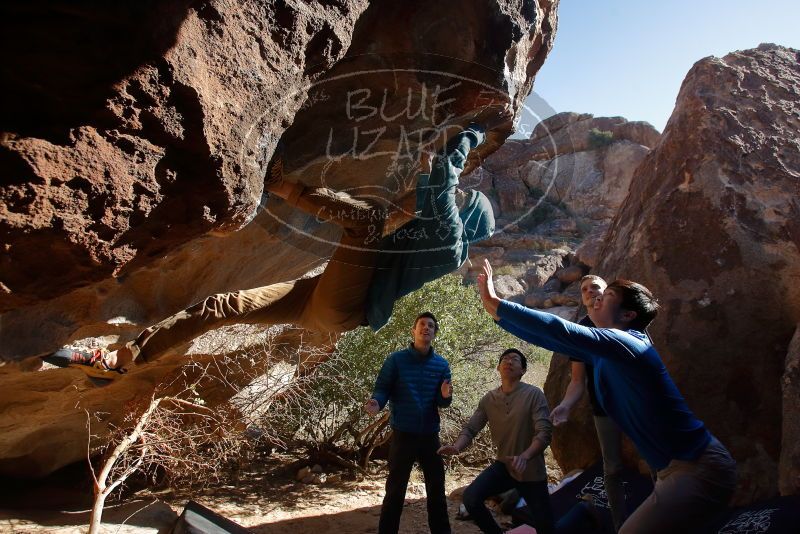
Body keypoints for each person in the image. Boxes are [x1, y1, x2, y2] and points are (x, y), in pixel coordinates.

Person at [44, 111, 509, 379]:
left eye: (467, 200)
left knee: (364, 223)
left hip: (347, 307)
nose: (460, 198)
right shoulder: (435, 232)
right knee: (224, 305)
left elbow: (442, 177)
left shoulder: (450, 243)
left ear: (469, 218)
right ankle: (118, 359)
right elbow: (416, 199)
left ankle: (285, 186)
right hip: (327, 297)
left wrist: (474, 133)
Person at [476, 259, 736, 533]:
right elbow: (554, 340)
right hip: (676, 470)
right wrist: (498, 315)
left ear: (628, 316)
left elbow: (560, 329)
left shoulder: (628, 344)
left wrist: (498, 303)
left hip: (698, 467)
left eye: (608, 295)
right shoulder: (605, 352)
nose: (599, 297)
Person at [438, 348, 554, 534]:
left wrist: (525, 457)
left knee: (546, 526)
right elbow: (471, 429)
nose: (509, 361)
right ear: (498, 368)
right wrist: (457, 446)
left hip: (532, 471)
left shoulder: (534, 394)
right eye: (505, 359)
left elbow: (544, 432)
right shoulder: (489, 399)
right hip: (504, 466)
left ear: (523, 370)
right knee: (471, 498)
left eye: (515, 359)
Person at [550, 274, 628, 531]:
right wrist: (565, 405)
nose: (590, 291)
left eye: (595, 286)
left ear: (607, 292)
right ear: (582, 299)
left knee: (653, 461)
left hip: (635, 403)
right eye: (584, 289)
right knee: (612, 469)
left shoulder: (625, 317)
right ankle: (620, 526)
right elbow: (577, 381)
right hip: (603, 409)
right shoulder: (581, 331)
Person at [365, 311, 453, 534]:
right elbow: (382, 388)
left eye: (431, 325)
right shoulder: (396, 360)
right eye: (422, 324)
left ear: (435, 333)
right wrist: (376, 402)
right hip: (403, 435)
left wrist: (444, 395)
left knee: (436, 491)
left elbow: (443, 403)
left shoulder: (442, 365)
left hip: (430, 437)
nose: (426, 328)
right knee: (395, 491)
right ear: (413, 331)